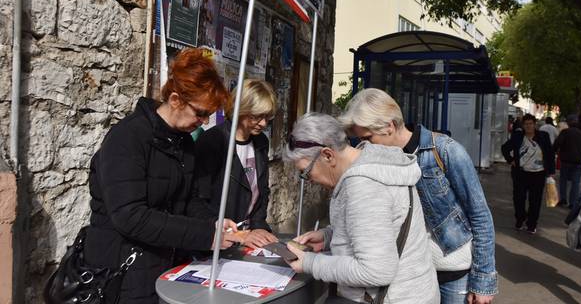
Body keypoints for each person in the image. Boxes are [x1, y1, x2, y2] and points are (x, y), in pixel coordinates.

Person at [83, 48, 241, 303]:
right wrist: (206, 236)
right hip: (119, 270)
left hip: (163, 266)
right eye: (200, 113)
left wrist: (214, 223)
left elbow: (188, 201)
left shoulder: (184, 143)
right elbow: (130, 216)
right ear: (176, 99)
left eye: (208, 115)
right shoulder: (127, 138)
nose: (203, 121)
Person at [339, 88, 497, 304]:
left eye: (368, 138)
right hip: (411, 275)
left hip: (453, 274)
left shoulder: (445, 151)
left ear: (389, 126)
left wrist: (483, 281)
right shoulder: (377, 160)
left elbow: (480, 215)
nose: (364, 146)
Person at [284, 113, 439, 304]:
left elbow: (375, 271)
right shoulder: (375, 161)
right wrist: (328, 236)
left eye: (306, 172)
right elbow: (382, 228)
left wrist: (310, 263)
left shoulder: (364, 185)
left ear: (327, 155)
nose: (310, 181)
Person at [195, 79, 279, 249]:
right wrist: (230, 232)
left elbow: (262, 190)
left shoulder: (261, 141)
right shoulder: (213, 141)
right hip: (220, 237)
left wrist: (259, 225)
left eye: (267, 117)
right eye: (257, 116)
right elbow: (200, 197)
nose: (263, 123)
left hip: (249, 235)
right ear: (241, 109)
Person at [501, 113, 555, 234]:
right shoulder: (517, 136)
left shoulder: (543, 136)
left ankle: (532, 224)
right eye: (526, 124)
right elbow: (504, 148)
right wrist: (511, 160)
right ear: (523, 125)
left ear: (535, 124)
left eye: (531, 124)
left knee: (535, 201)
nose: (528, 126)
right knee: (519, 199)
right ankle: (520, 219)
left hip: (538, 174)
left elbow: (550, 154)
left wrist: (551, 172)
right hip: (521, 173)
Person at [553, 114, 581, 208]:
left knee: (563, 180)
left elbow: (557, 144)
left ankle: (563, 199)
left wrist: (556, 151)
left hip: (566, 160)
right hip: (578, 162)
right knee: (575, 182)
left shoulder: (565, 132)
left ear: (568, 123)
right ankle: (573, 203)